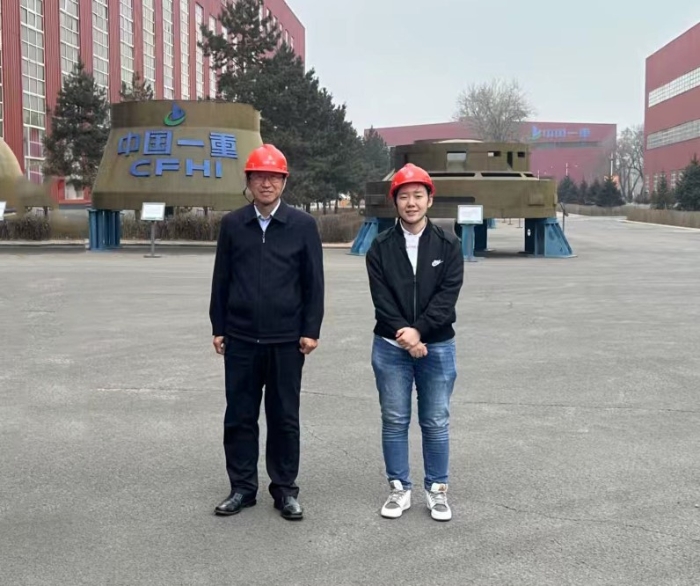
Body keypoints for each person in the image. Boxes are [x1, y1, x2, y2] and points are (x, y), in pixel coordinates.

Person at [209, 144, 324, 521]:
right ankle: (242, 487)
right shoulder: (233, 225)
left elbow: (313, 282)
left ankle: (285, 489)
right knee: (239, 416)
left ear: (284, 182)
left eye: (274, 177)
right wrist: (218, 326)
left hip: (286, 340)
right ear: (249, 181)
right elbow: (222, 278)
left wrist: (310, 329)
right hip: (241, 338)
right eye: (259, 176)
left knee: (284, 417)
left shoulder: (302, 225)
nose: (266, 183)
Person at [365, 162, 464, 522]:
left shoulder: (448, 244)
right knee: (394, 419)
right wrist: (406, 338)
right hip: (390, 347)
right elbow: (382, 299)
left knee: (435, 420)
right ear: (395, 202)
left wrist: (419, 331)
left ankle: (437, 490)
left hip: (437, 347)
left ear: (429, 200)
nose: (411, 203)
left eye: (418, 196)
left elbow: (447, 296)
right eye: (404, 196)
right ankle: (399, 488)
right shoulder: (380, 247)